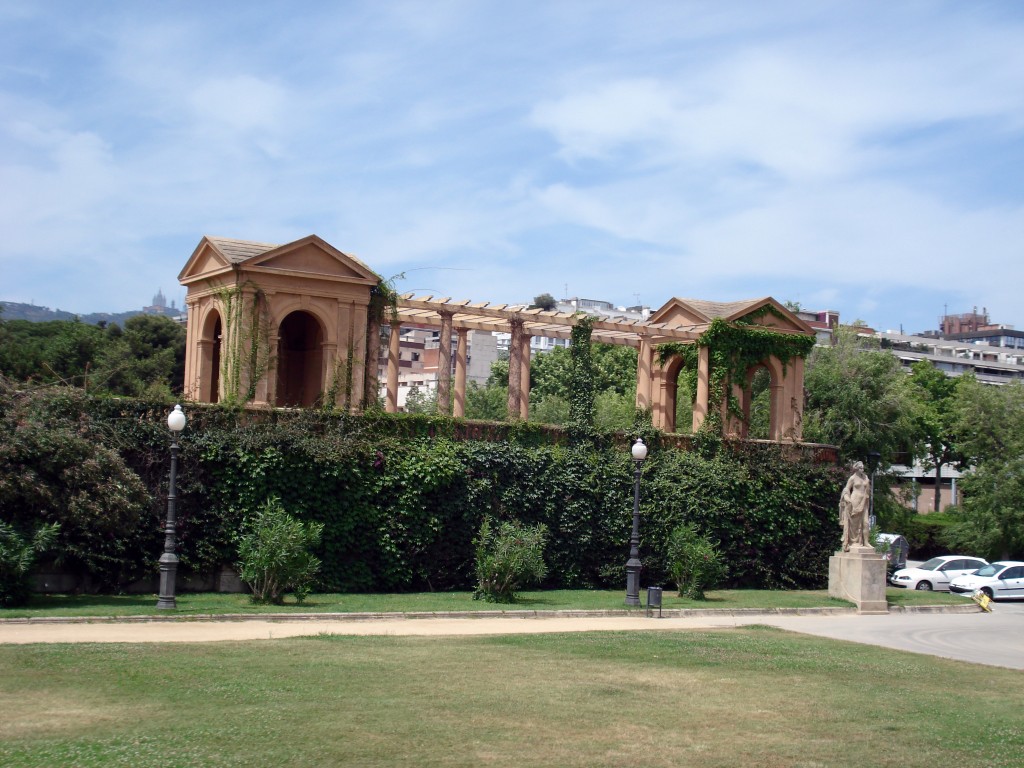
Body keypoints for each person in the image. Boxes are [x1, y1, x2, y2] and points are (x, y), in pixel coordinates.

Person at [839, 461, 871, 551]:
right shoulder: (852, 478)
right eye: (860, 468)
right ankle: (853, 542)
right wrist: (846, 498)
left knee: (866, 522)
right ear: (856, 469)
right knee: (854, 524)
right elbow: (846, 489)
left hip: (864, 501)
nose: (862, 469)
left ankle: (866, 542)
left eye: (863, 468)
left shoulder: (865, 477)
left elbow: (868, 490)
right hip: (854, 501)